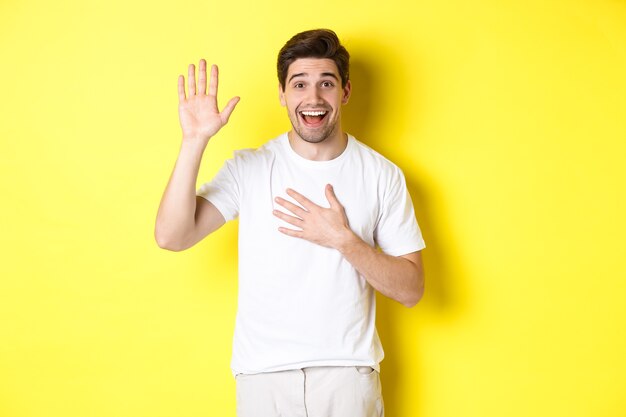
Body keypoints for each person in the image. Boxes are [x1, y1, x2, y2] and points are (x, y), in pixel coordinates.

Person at [155, 29, 425, 417]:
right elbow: (171, 236)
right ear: (282, 94)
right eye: (299, 84)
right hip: (263, 378)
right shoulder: (249, 168)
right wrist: (194, 140)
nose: (313, 98)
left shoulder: (382, 175)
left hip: (346, 377)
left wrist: (344, 241)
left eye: (326, 84)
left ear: (345, 92)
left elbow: (412, 289)